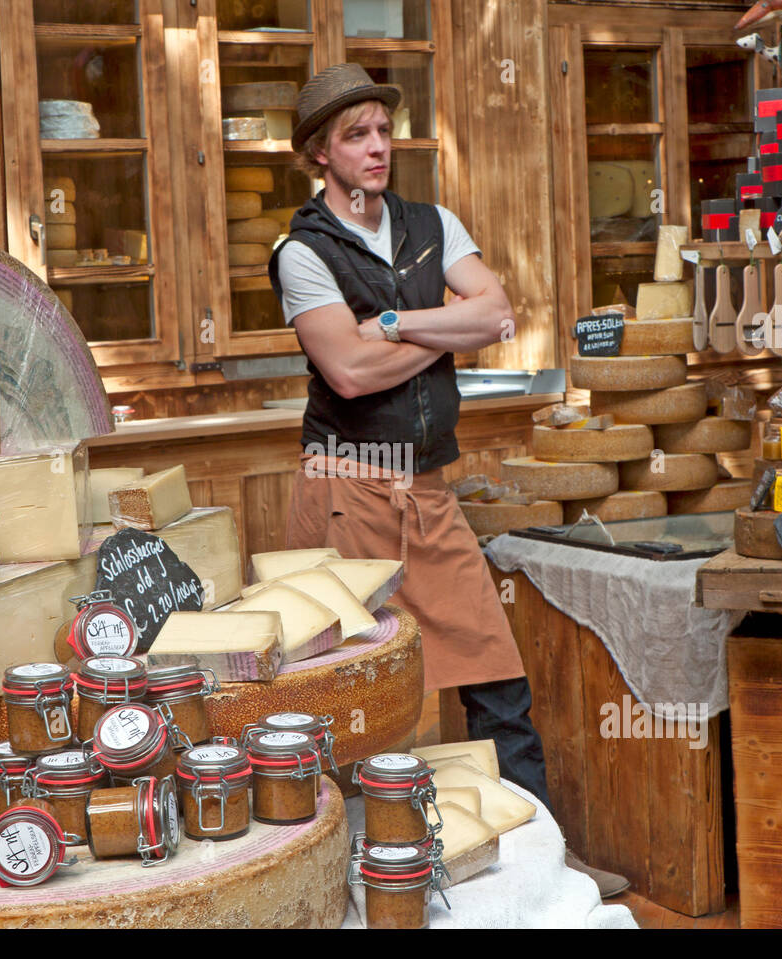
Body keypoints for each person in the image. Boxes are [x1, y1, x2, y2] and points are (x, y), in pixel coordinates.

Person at [268, 64, 628, 898]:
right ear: (320, 152)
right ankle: (354, 881)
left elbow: (499, 313)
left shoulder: (434, 223)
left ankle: (548, 868)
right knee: (352, 695)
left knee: (496, 677)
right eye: (355, 135)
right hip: (344, 488)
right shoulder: (302, 251)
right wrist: (448, 330)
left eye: (382, 131)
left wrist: (396, 321)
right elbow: (351, 373)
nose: (377, 147)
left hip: (427, 488)